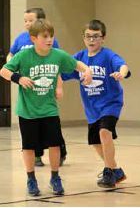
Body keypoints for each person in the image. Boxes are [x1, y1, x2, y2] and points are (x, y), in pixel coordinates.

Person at [0, 19, 92, 196]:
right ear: (34, 38)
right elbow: (4, 71)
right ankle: (31, 179)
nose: (49, 39)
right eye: (45, 36)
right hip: (28, 111)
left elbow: (77, 65)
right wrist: (18, 78)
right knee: (28, 147)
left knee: (55, 145)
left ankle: (55, 177)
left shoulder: (57, 55)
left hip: (49, 109)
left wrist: (87, 70)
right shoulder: (24, 56)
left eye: (51, 36)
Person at [61, 19, 129, 188]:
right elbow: (62, 72)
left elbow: (123, 66)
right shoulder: (79, 58)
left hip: (111, 103)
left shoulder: (108, 55)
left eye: (96, 36)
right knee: (96, 142)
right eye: (88, 36)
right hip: (92, 108)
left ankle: (108, 170)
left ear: (103, 38)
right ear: (84, 38)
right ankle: (116, 170)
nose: (91, 40)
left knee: (105, 132)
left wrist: (121, 74)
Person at [7, 7, 67, 167]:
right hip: (29, 88)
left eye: (30, 20)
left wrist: (59, 87)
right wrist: (13, 71)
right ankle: (37, 156)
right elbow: (11, 55)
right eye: (25, 21)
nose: (27, 24)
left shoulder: (49, 41)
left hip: (46, 87)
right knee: (31, 126)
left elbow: (58, 65)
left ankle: (60, 150)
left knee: (50, 123)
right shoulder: (21, 39)